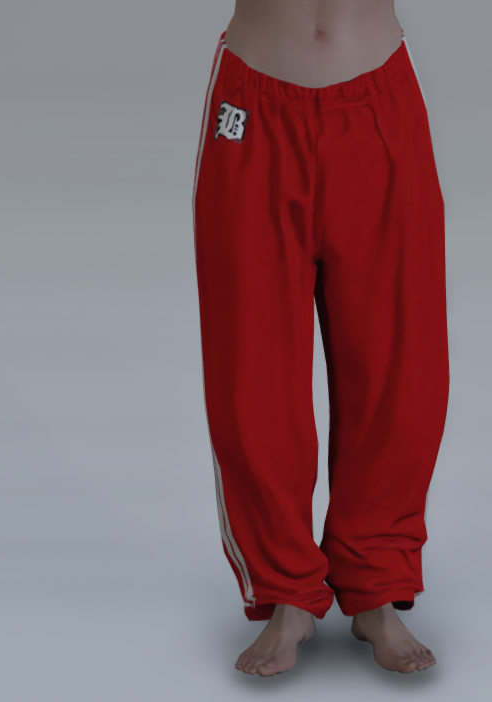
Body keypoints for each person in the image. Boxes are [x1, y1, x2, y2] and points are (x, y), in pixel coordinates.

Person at [192, 0, 449, 676]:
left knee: (402, 364)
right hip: (254, 99)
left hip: (377, 91)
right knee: (251, 367)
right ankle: (287, 594)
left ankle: (377, 586)